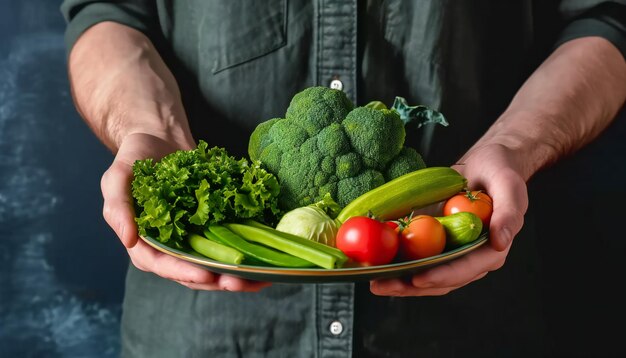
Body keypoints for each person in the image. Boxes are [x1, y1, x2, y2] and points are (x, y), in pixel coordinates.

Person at [60, 1, 626, 357]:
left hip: (467, 324)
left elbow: (604, 18)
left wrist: (514, 145)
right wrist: (146, 127)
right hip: (204, 334)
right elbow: (107, 13)